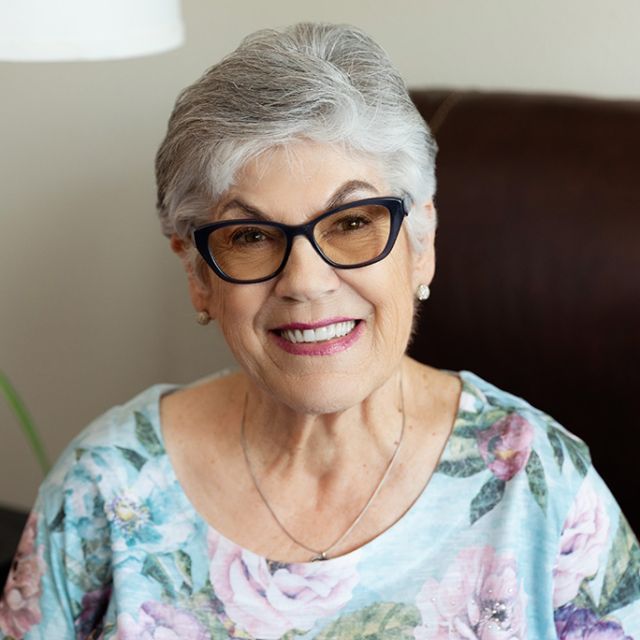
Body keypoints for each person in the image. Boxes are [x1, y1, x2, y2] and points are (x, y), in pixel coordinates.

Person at [1, 22, 639, 640]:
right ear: (199, 277)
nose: (306, 281)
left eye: (353, 222)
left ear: (421, 246)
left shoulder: (538, 481)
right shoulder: (106, 486)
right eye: (250, 236)